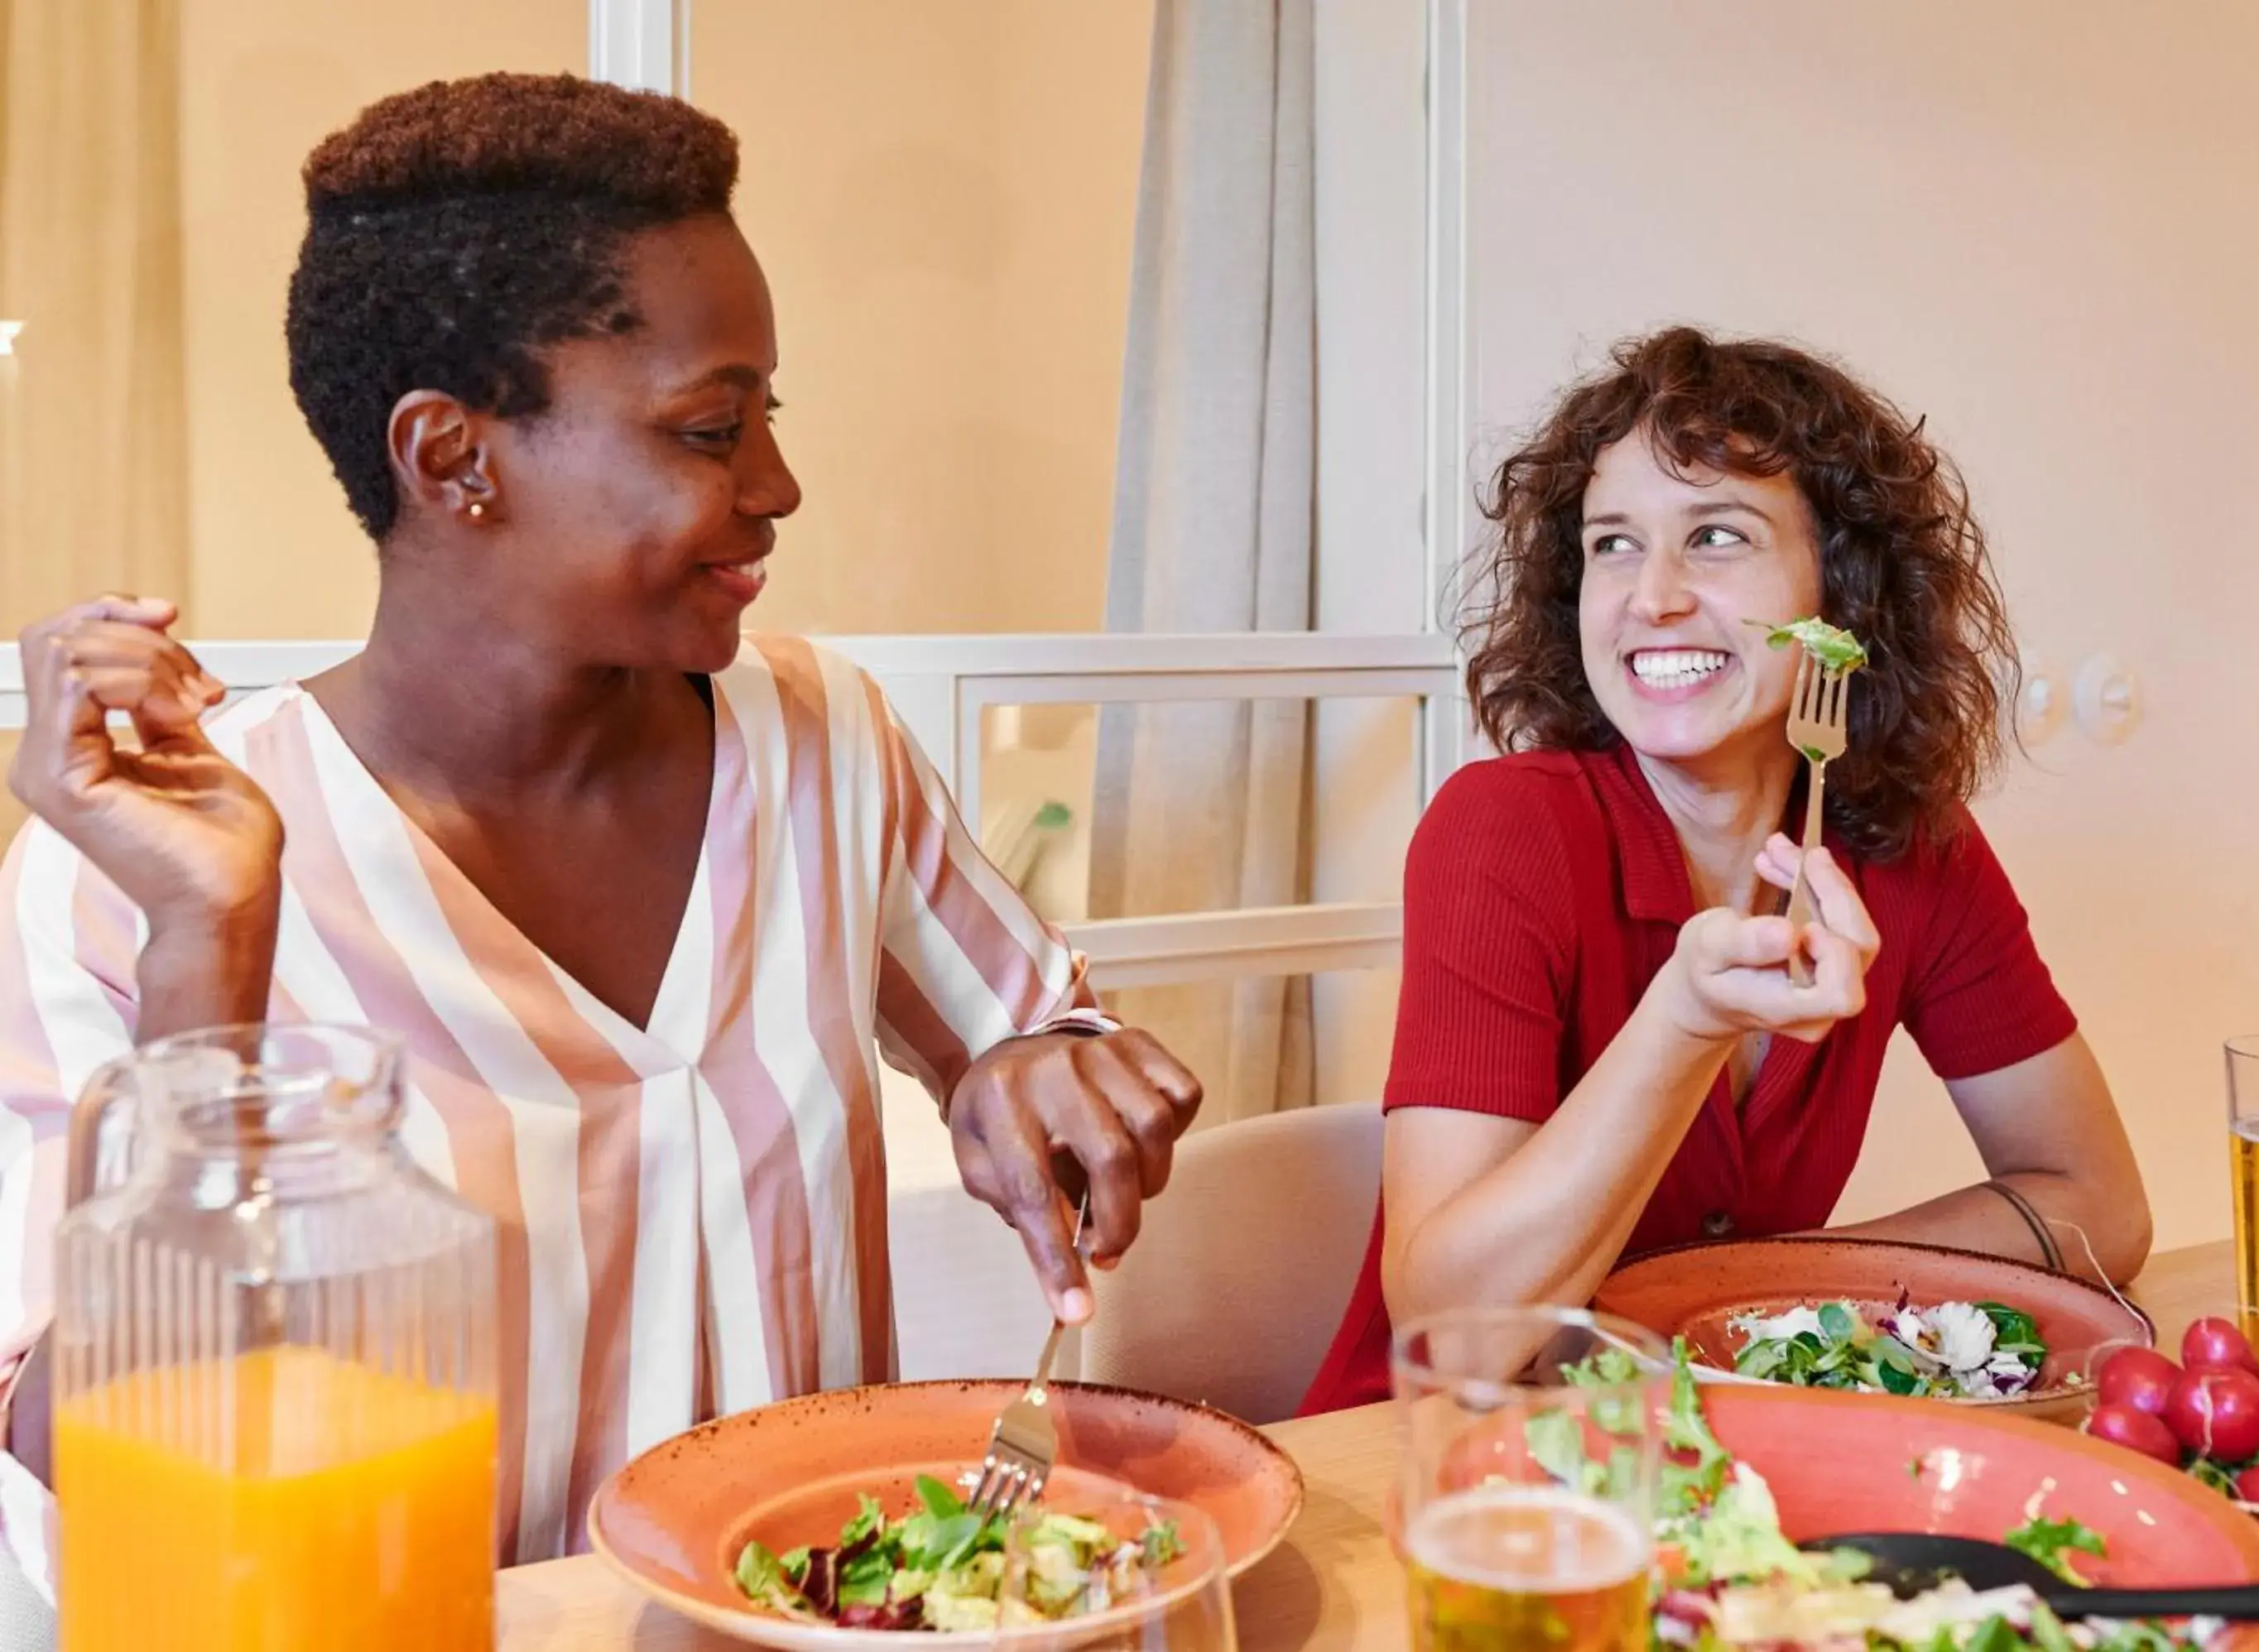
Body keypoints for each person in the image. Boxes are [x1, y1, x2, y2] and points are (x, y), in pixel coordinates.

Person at [0, 74, 1201, 1571]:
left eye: (770, 415)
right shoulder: (131, 873)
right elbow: (77, 1455)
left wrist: (1057, 1082)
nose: (778, 485)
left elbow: (1038, 1042)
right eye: (710, 430)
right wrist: (207, 955)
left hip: (821, 1613)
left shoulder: (823, 739)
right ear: (453, 461)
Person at [1301, 327, 2150, 1413]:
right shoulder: (1503, 831)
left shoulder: (1914, 848)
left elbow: (2101, 1208)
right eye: (1611, 544)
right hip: (1441, 1477)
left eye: (1714, 535)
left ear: (1839, 591)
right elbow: (1454, 1338)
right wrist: (1686, 1022)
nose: (1649, 596)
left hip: (1721, 1463)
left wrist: (1753, 1306)